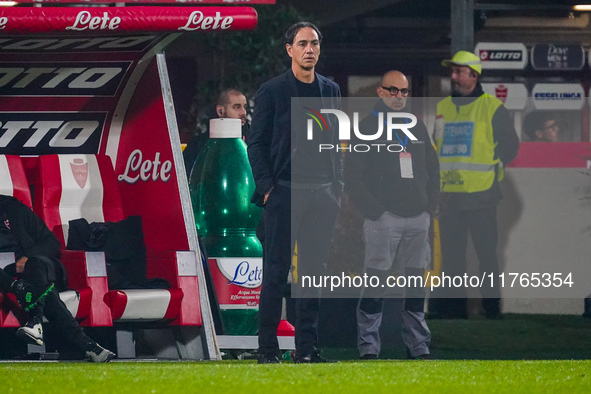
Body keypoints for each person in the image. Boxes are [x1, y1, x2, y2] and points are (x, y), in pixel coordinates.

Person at [248, 22, 342, 364]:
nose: (309, 49)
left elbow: (336, 142)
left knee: (313, 278)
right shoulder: (272, 91)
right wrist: (267, 188)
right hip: (284, 193)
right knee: (274, 275)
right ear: (289, 49)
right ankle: (267, 350)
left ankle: (307, 350)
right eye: (302, 43)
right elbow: (255, 144)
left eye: (314, 43)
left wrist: (337, 186)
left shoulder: (330, 90)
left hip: (322, 195)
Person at [345, 71, 439, 360]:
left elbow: (432, 171)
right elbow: (352, 176)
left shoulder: (417, 128)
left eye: (404, 91)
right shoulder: (367, 127)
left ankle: (418, 348)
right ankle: (369, 349)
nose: (399, 96)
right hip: (383, 220)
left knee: (415, 288)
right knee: (375, 285)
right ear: (381, 92)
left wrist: (428, 207)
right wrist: (375, 212)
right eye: (393, 90)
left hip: (417, 219)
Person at [430, 51, 520, 319]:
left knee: (487, 258)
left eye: (459, 72)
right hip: (450, 198)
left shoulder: (492, 108)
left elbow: (510, 147)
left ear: (474, 75)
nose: (453, 76)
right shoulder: (443, 107)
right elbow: (439, 147)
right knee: (452, 259)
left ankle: (491, 310)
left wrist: (493, 168)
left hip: (481, 196)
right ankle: (454, 311)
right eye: (452, 71)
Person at [0, 194, 116, 362]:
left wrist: (27, 256)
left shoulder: (14, 209)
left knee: (34, 265)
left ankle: (34, 317)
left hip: (42, 268)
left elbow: (52, 244)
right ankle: (87, 345)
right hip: (10, 276)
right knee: (44, 290)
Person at [183, 88, 249, 179]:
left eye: (244, 107)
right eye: (237, 107)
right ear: (220, 111)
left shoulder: (254, 141)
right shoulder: (199, 145)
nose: (243, 113)